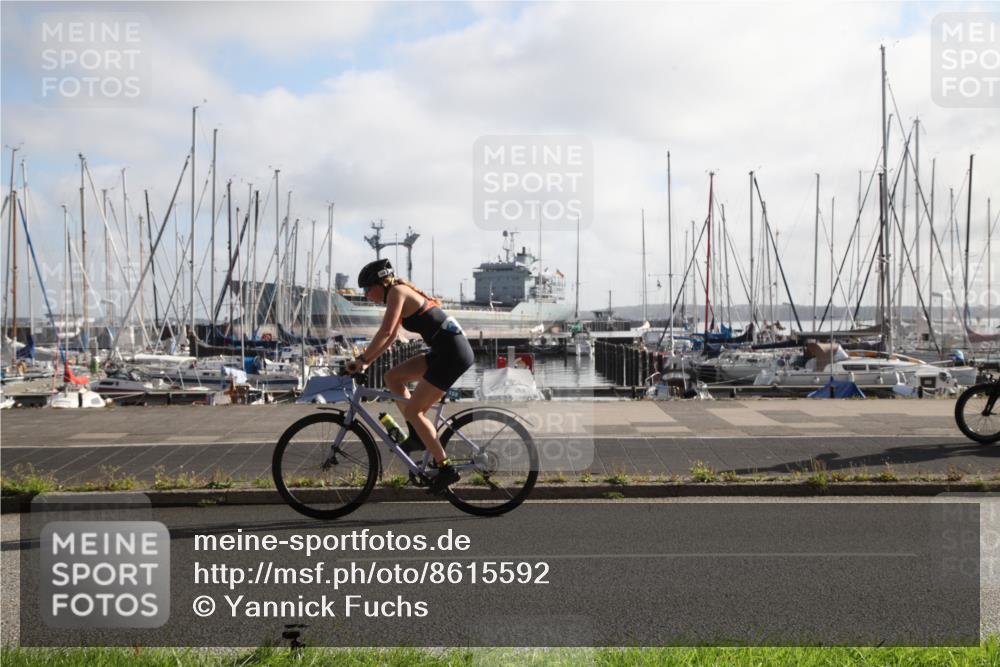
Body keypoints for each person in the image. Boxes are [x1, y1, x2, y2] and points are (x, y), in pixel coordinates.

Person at [346, 259, 475, 495]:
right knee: (393, 378)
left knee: (415, 411)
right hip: (442, 351)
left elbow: (385, 331)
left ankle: (446, 468)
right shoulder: (396, 293)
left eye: (366, 289)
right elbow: (391, 336)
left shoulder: (397, 291)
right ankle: (416, 436)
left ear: (380, 284)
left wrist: (363, 360)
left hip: (453, 354)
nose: (366, 295)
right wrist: (366, 362)